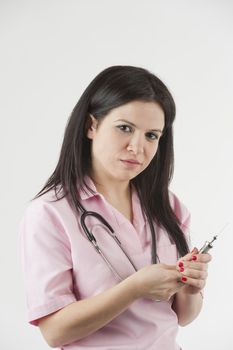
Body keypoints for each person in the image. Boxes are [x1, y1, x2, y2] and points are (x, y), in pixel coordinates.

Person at [19, 65, 212, 350]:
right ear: (91, 126)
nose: (138, 147)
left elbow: (183, 317)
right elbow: (55, 332)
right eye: (125, 128)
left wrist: (192, 289)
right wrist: (134, 288)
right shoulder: (49, 213)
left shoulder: (169, 206)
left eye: (151, 135)